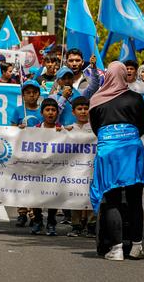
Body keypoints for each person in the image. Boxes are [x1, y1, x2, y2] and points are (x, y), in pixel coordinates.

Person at [89, 61, 144, 261]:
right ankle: (136, 247)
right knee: (135, 200)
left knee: (112, 199)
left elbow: (96, 129)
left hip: (108, 152)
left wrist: (112, 138)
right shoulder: (135, 98)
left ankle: (116, 249)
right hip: (132, 151)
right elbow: (142, 126)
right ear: (125, 75)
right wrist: (127, 136)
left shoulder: (96, 99)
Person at [10, 79, 43, 227]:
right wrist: (18, 128)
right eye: (28, 93)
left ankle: (34, 213)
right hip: (22, 153)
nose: (31, 96)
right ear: (23, 95)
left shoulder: (42, 111)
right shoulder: (18, 110)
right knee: (22, 183)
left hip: (38, 154)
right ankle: (22, 212)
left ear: (38, 94)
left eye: (34, 93)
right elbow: (11, 129)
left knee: (36, 183)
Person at [30, 98, 63, 236]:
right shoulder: (35, 130)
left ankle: (51, 222)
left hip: (54, 170)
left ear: (57, 113)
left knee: (53, 196)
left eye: (53, 110)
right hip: (38, 169)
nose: (50, 113)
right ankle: (38, 220)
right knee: (36, 196)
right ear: (41, 112)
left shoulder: (62, 130)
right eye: (47, 110)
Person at [65, 96, 94, 237]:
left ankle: (91, 225)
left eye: (86, 108)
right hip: (74, 170)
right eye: (79, 109)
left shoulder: (96, 129)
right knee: (75, 195)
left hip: (91, 168)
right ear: (73, 112)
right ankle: (76, 225)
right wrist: (62, 132)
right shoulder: (69, 129)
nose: (83, 112)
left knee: (91, 196)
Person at [50, 56, 99, 126]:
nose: (67, 81)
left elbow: (95, 86)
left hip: (79, 132)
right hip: (62, 134)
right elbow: (52, 117)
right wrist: (63, 98)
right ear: (58, 81)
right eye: (63, 78)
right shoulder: (53, 98)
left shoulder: (81, 94)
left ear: (73, 80)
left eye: (69, 78)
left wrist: (94, 68)